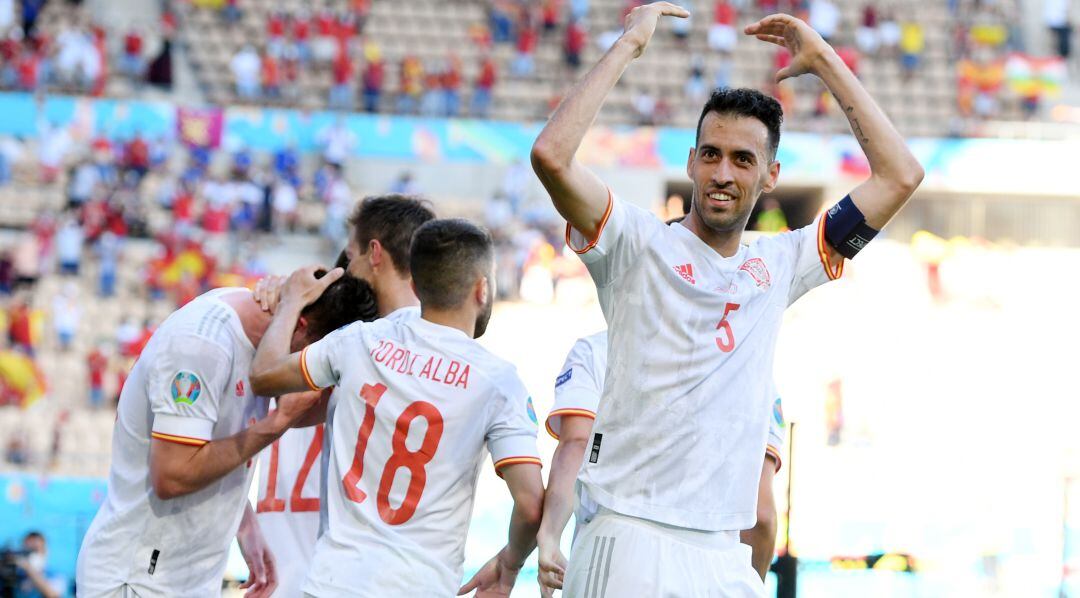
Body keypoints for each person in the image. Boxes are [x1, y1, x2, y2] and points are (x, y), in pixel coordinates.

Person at [529, 5, 922, 594]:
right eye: (710, 153)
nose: (721, 171)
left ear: (770, 175)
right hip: (629, 534)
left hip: (722, 556)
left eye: (743, 159)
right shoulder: (632, 243)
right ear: (690, 162)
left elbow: (900, 176)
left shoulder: (781, 263)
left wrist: (827, 65)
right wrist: (629, 46)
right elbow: (552, 157)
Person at [249, 219, 545, 597]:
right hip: (419, 585)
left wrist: (291, 301)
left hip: (332, 582)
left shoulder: (359, 342)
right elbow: (531, 505)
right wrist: (511, 562)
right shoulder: (498, 382)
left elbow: (265, 375)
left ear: (418, 287)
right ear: (482, 289)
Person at [75, 272, 377, 597]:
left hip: (184, 576)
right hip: (138, 579)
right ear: (300, 326)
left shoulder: (260, 335)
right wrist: (276, 423)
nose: (308, 380)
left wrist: (242, 523)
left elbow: (209, 442)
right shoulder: (200, 346)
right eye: (312, 362)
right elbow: (173, 475)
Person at [251, 198, 436, 595]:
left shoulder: (348, 346)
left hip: (335, 574)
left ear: (373, 254)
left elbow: (276, 394)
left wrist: (286, 306)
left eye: (349, 258)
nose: (346, 271)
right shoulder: (452, 352)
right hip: (417, 575)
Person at [537, 330, 788, 596]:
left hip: (621, 553)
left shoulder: (597, 350)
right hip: (723, 568)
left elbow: (579, 443)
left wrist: (550, 534)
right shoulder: (751, 370)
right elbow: (762, 515)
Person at [14, 530, 66, 598]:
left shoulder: (55, 574)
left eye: (35, 549)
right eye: (27, 550)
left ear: (45, 550)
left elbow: (53, 595)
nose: (31, 554)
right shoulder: (17, 574)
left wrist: (28, 568)